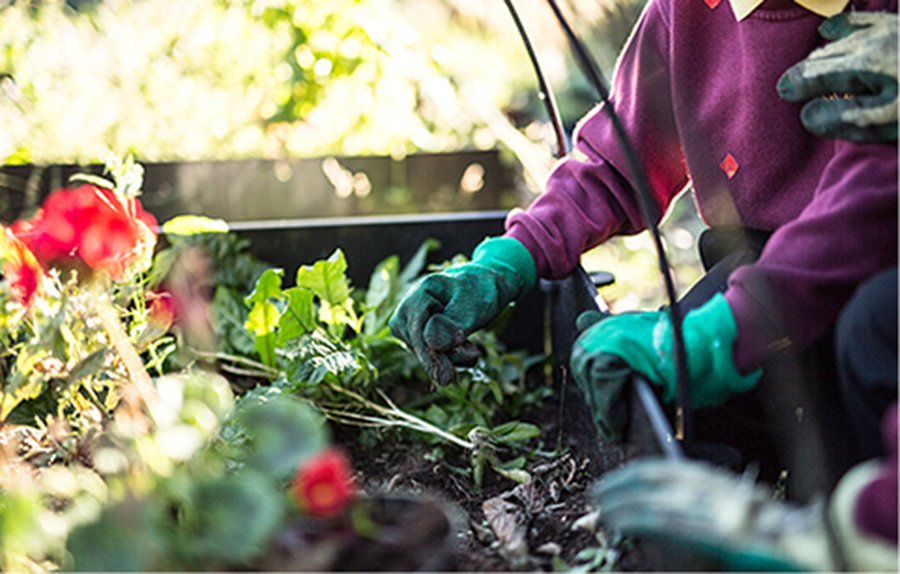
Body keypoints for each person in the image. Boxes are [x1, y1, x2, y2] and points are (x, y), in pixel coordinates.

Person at [389, 0, 897, 490]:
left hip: (873, 264)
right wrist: (510, 259)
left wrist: (716, 337)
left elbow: (873, 207)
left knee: (847, 440)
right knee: (694, 413)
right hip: (759, 258)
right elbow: (619, 161)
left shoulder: (882, 16)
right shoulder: (689, 10)